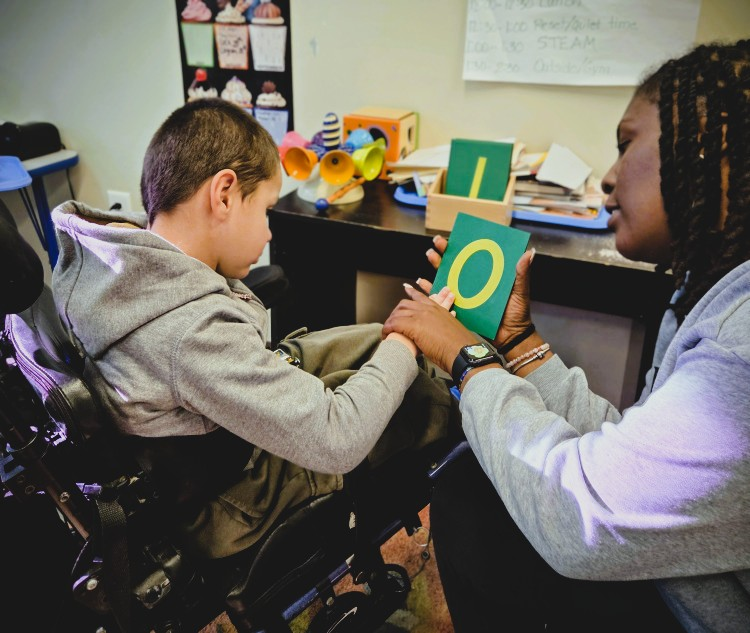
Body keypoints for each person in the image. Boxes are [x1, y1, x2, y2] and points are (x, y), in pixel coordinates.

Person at [383, 39, 750, 632]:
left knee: (472, 495)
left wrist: (468, 357)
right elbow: (628, 456)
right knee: (478, 476)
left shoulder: (741, 346)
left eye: (627, 145)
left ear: (717, 152)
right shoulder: (710, 296)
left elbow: (582, 514)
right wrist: (521, 344)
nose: (608, 179)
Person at [50, 97, 458, 560]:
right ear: (223, 194)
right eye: (265, 210)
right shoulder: (191, 334)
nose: (268, 234)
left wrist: (394, 341)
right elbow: (338, 439)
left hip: (207, 440)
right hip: (233, 500)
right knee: (416, 397)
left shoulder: (112, 263)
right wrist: (406, 343)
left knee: (373, 341)